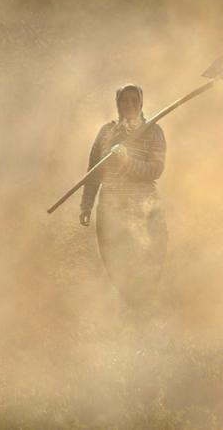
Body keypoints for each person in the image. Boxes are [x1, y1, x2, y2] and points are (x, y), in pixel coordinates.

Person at [79, 84, 168, 312]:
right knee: (115, 259)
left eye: (133, 101)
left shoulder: (153, 131)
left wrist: (127, 162)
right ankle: (130, 308)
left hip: (144, 207)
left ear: (140, 103)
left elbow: (155, 170)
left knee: (149, 257)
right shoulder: (106, 133)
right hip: (111, 206)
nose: (129, 105)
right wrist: (86, 205)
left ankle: (145, 307)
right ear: (117, 104)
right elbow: (93, 172)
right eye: (124, 101)